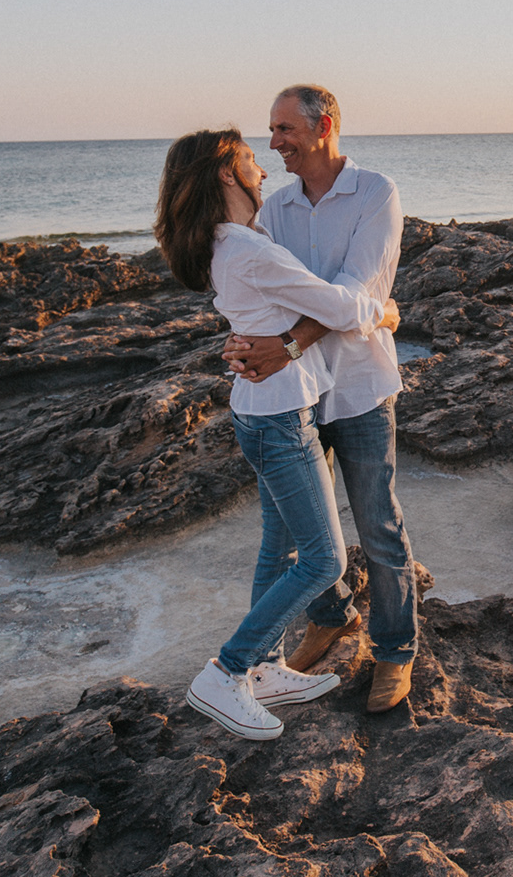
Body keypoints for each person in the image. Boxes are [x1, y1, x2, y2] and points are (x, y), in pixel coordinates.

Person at [153, 127, 400, 740]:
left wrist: (275, 339)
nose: (263, 167)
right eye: (248, 159)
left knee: (278, 547)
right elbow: (343, 308)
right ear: (224, 175)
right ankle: (228, 671)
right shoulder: (249, 249)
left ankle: (264, 669)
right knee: (323, 560)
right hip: (280, 420)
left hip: (266, 408)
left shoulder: (237, 241)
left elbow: (275, 313)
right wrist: (386, 312)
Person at [222, 84, 417, 713]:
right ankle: (330, 617)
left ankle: (395, 652)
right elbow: (273, 291)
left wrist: (288, 344)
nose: (273, 142)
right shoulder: (274, 209)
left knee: (377, 525)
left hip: (358, 389)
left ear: (323, 125)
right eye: (271, 131)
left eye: (283, 129)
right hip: (293, 396)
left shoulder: (375, 194)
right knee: (294, 531)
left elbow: (351, 291)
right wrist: (251, 343)